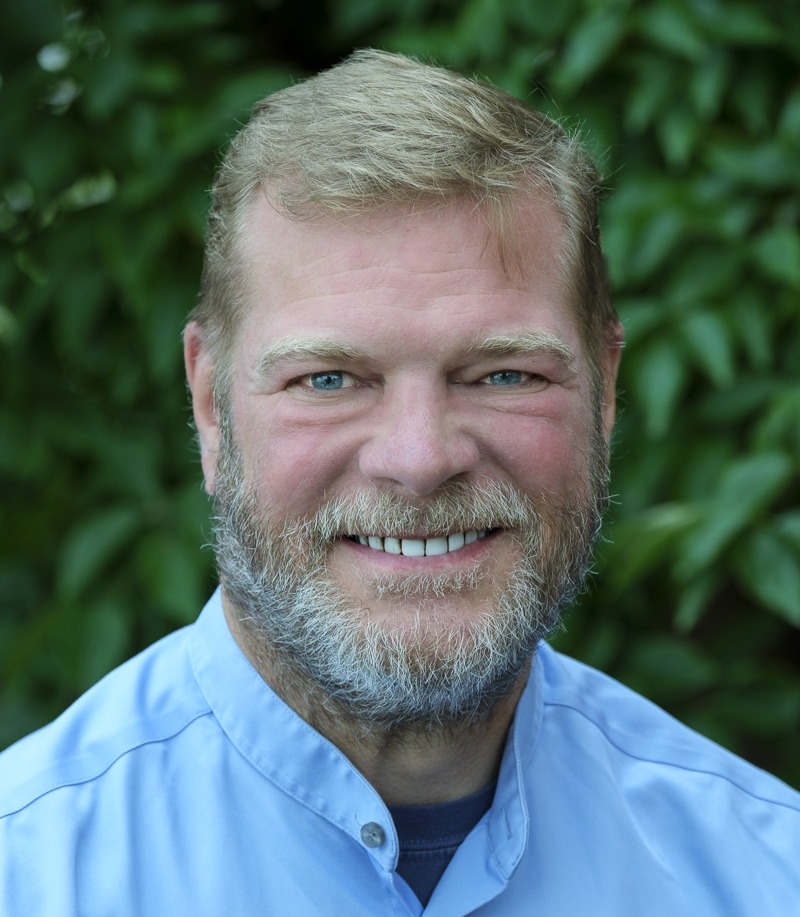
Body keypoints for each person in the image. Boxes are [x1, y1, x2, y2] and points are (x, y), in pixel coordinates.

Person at [1, 49, 798, 916]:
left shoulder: (765, 872)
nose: (419, 460)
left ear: (604, 390)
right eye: (329, 379)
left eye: (503, 374)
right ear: (210, 405)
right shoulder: (28, 874)